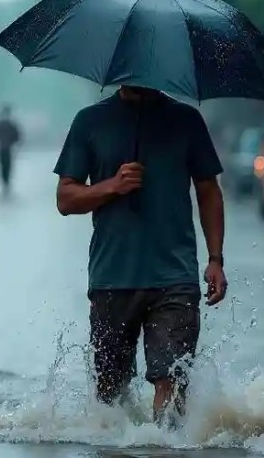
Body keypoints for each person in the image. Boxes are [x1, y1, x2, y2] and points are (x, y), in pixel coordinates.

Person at [53, 86, 227, 426]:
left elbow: (208, 189)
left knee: (172, 379)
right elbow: (65, 199)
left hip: (175, 277)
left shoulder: (186, 120)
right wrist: (112, 186)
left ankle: (165, 446)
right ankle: (121, 445)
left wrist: (216, 259)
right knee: (110, 391)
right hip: (112, 277)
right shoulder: (90, 121)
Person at [0, 104, 23, 194]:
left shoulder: (1, 124)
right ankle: (5, 181)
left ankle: (5, 181)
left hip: (3, 148)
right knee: (6, 165)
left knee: (3, 165)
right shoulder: (10, 124)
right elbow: (17, 136)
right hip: (6, 149)